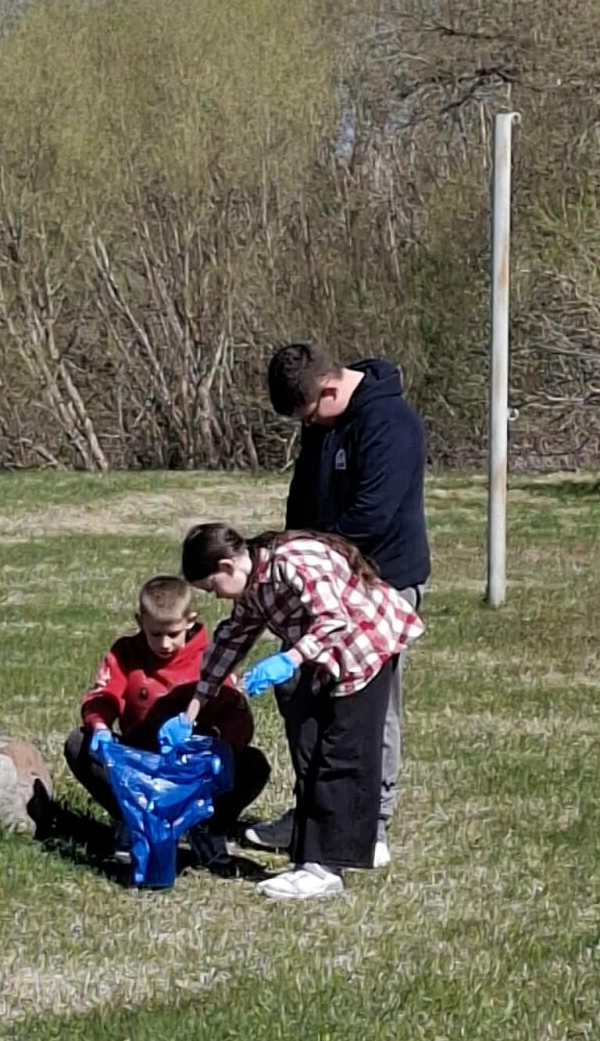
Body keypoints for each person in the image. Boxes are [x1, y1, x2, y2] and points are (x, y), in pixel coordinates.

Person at [247, 342, 431, 866]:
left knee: (368, 708)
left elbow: (371, 516)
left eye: (309, 414)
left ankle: (371, 823)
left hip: (380, 584)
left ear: (329, 389)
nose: (308, 426)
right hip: (318, 582)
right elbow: (302, 501)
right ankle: (313, 813)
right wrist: (290, 554)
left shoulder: (391, 425)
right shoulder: (321, 426)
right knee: (302, 696)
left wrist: (309, 554)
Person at [172, 522, 424, 901]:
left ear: (227, 566)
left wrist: (289, 660)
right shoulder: (254, 585)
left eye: (212, 587)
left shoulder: (292, 560)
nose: (217, 596)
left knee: (339, 755)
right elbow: (230, 641)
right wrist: (190, 712)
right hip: (325, 658)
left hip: (365, 649)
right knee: (310, 747)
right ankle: (316, 854)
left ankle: (325, 868)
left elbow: (334, 619)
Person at [64, 574, 271, 875]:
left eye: (173, 634)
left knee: (253, 764)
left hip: (193, 769)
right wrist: (100, 726)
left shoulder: (210, 657)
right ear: (140, 622)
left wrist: (226, 748)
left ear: (190, 621)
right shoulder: (126, 653)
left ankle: (206, 827)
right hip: (138, 764)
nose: (164, 643)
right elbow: (104, 695)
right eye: (155, 634)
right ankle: (132, 819)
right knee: (79, 743)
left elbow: (233, 711)